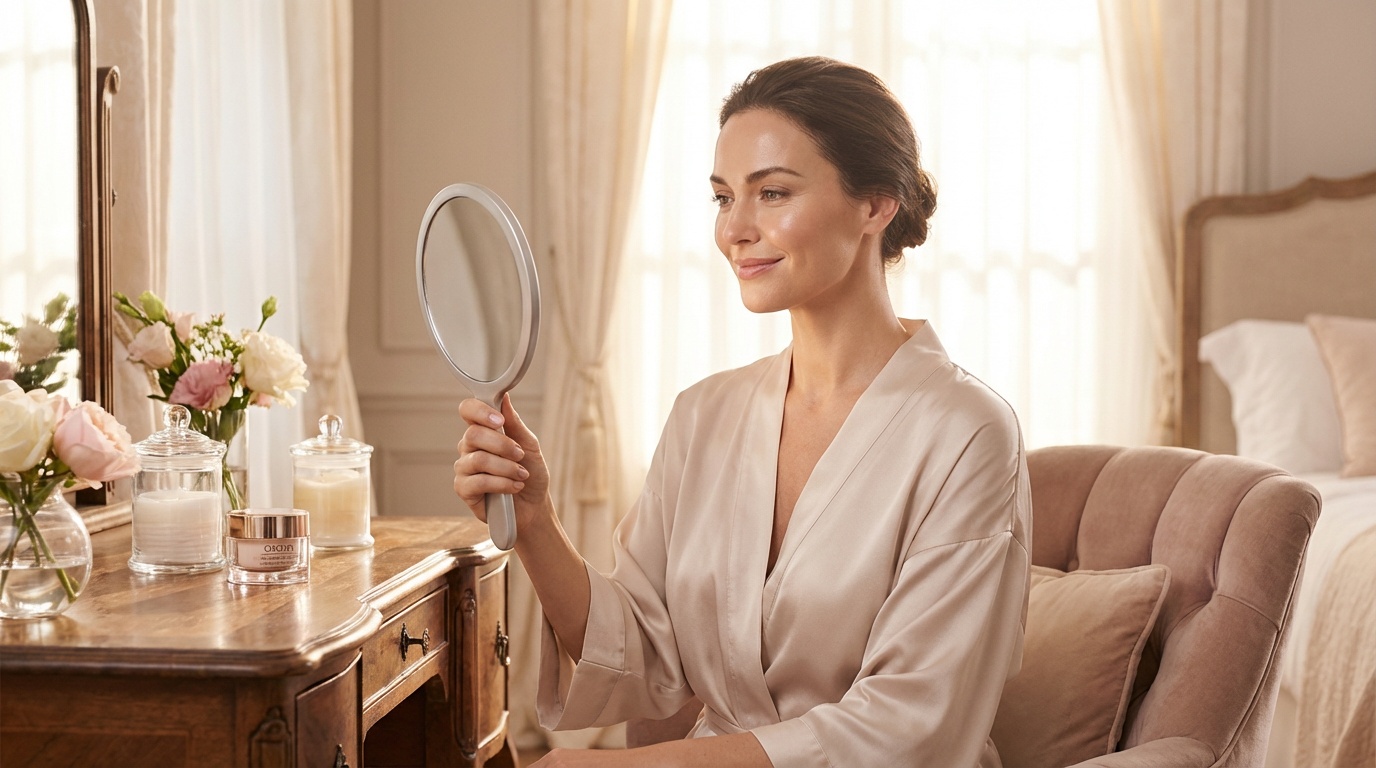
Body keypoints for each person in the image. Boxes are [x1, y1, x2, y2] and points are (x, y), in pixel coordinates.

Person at [453, 56, 1031, 768]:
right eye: (724, 198)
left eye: (773, 193)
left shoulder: (967, 432)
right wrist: (536, 522)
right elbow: (639, 654)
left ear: (877, 204)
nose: (736, 230)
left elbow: (908, 729)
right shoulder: (705, 416)